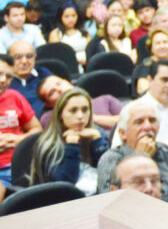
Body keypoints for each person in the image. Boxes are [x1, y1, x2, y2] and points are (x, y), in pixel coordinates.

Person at [28, 87, 107, 194]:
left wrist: (98, 143)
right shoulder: (48, 144)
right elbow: (64, 186)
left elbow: (110, 176)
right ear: (61, 115)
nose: (80, 116)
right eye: (73, 110)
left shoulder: (97, 134)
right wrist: (72, 146)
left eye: (85, 110)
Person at [0, 54, 42, 195]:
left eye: (9, 76)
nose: (3, 80)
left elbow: (36, 129)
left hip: (21, 165)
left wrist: (17, 139)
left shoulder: (14, 96)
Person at [38, 74, 122, 131]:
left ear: (67, 81)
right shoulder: (50, 117)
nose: (59, 90)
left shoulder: (106, 100)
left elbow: (127, 121)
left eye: (59, 84)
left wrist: (93, 118)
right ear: (48, 104)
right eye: (52, 92)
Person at [7, 41, 51, 115]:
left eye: (29, 56)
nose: (24, 61)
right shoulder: (4, 80)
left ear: (35, 57)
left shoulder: (44, 74)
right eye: (18, 57)